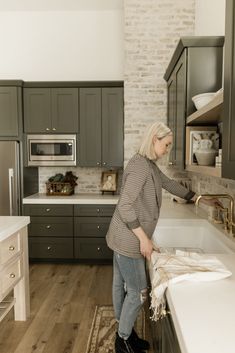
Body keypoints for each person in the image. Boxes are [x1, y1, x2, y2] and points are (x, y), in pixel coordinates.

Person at [106, 122, 220, 353]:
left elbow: (168, 184)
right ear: (154, 140)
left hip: (122, 235)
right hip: (128, 239)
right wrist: (144, 239)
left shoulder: (147, 164)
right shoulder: (140, 166)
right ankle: (124, 339)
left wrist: (200, 198)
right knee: (138, 292)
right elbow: (125, 205)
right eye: (166, 144)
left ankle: (124, 332)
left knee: (121, 285)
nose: (168, 149)